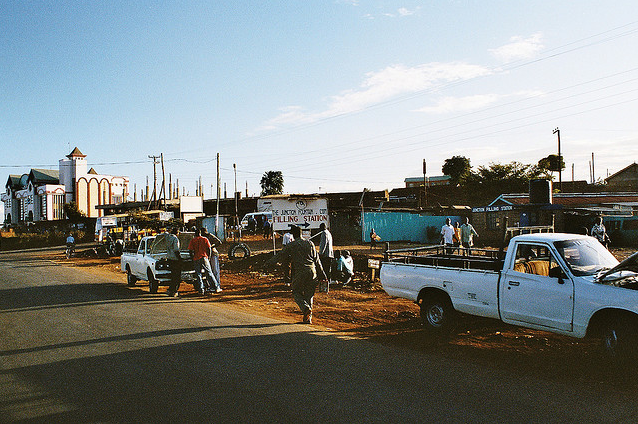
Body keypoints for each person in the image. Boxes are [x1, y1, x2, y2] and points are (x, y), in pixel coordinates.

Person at [266, 225, 327, 324]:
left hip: (300, 272)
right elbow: (317, 260)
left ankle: (305, 308)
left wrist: (268, 263)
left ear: (293, 234)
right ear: (301, 233)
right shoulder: (310, 243)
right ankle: (308, 318)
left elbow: (280, 255)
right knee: (309, 295)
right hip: (313, 272)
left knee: (296, 292)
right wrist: (322, 274)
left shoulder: (292, 245)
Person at [188, 228, 221, 295]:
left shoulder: (193, 240)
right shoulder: (205, 239)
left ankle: (201, 290)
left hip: (196, 258)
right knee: (209, 272)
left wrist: (192, 258)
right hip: (204, 257)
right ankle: (216, 287)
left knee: (198, 274)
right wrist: (208, 257)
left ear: (195, 234)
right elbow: (209, 248)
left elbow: (190, 250)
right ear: (200, 233)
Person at [166, 227, 181, 297]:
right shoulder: (175, 239)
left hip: (169, 258)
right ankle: (174, 291)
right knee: (177, 276)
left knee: (172, 275)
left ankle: (170, 289)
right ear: (177, 232)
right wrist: (180, 258)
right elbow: (176, 250)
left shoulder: (168, 238)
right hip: (175, 259)